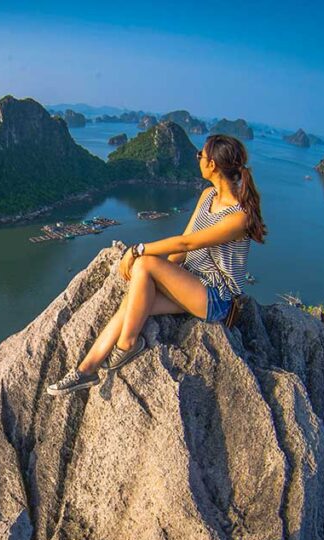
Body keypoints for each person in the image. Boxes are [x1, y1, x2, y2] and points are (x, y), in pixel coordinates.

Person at [47, 134, 267, 396]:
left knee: (145, 265)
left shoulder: (238, 217)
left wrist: (138, 251)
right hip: (191, 284)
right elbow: (182, 249)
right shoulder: (208, 196)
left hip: (216, 298)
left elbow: (186, 244)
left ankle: (128, 344)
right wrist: (162, 277)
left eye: (201, 155)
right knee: (133, 303)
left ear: (213, 166)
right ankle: (85, 370)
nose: (198, 159)